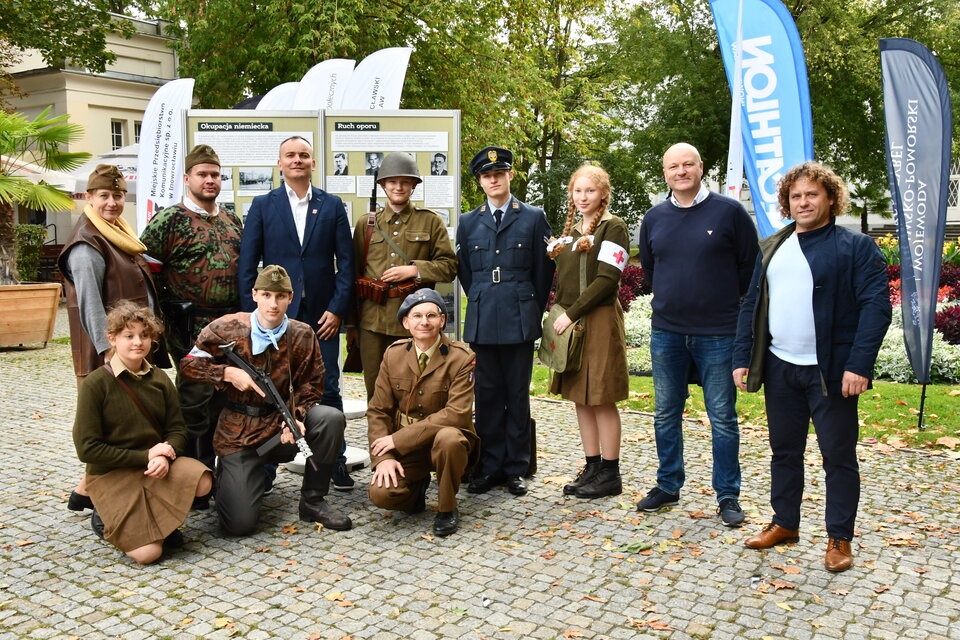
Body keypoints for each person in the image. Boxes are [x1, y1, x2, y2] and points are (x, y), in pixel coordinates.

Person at [733, 162, 891, 572]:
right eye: (795, 196)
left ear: (830, 198)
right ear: (787, 202)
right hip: (781, 367)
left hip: (832, 372)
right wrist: (742, 358)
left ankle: (839, 537)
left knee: (837, 458)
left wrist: (859, 365)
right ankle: (785, 523)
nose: (803, 202)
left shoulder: (856, 247)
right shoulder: (772, 246)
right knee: (784, 452)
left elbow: (877, 308)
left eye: (812, 195)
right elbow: (751, 305)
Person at [636, 142, 759, 526]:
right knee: (665, 414)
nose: (681, 171)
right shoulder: (654, 218)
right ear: (665, 173)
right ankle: (668, 484)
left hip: (718, 333)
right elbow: (652, 272)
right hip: (668, 332)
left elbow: (748, 270)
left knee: (722, 416)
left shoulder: (730, 213)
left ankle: (727, 495)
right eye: (673, 166)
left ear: (701, 167)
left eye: (688, 164)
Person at [181, 265, 353, 535]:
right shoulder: (226, 328)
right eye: (266, 295)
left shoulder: (302, 333)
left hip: (279, 426)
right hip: (238, 431)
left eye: (280, 296)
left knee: (330, 418)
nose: (273, 303)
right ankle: (231, 477)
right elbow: (188, 366)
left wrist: (295, 417)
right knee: (238, 525)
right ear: (254, 294)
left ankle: (313, 500)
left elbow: (313, 383)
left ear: (290, 297)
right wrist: (225, 372)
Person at [238, 136, 355, 490]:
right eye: (290, 155)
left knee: (329, 388)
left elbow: (346, 264)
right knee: (273, 387)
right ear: (280, 163)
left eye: (304, 155)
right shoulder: (262, 205)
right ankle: (269, 464)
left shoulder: (332, 206)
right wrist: (253, 316)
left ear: (313, 163)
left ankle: (335, 460)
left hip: (322, 317)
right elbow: (247, 265)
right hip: (275, 316)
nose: (298, 160)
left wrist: (336, 310)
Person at [59, 164, 170, 512]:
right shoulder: (87, 243)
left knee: (127, 423)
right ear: (88, 198)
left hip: (131, 348)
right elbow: (88, 304)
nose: (112, 202)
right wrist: (110, 352)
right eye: (104, 195)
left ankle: (85, 493)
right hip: (108, 355)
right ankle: (100, 497)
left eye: (118, 195)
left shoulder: (117, 234)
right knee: (110, 428)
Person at [73, 301, 212, 565]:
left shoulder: (159, 379)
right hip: (113, 474)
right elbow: (87, 449)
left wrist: (166, 454)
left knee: (204, 481)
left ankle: (159, 526)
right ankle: (104, 518)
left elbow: (178, 429)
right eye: (129, 336)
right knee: (149, 555)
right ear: (112, 339)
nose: (138, 342)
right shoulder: (96, 384)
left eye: (144, 335)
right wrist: (147, 455)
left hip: (153, 466)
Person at [456, 146, 555, 496]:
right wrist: (484, 293)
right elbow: (467, 272)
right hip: (484, 315)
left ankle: (516, 467)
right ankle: (490, 465)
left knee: (516, 393)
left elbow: (544, 272)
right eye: (486, 175)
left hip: (519, 315)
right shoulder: (468, 222)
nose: (493, 179)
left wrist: (528, 304)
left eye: (499, 173)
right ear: (480, 181)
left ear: (510, 175)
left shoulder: (532, 216)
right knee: (486, 394)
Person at [140, 144, 243, 474]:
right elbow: (145, 270)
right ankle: (192, 475)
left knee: (225, 398)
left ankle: (221, 472)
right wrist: (158, 321)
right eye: (202, 174)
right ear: (188, 178)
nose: (209, 180)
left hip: (229, 326)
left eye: (215, 174)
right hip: (190, 327)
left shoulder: (232, 220)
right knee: (192, 402)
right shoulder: (168, 220)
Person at [546, 164, 630, 499]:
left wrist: (572, 314)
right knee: (580, 398)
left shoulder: (615, 227)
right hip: (572, 320)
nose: (583, 197)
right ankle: (592, 465)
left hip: (596, 320)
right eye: (578, 191)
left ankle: (610, 472)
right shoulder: (571, 231)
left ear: (603, 194)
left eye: (590, 191)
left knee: (601, 397)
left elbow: (607, 280)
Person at [367, 290, 479, 536]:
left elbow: (456, 414)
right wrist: (384, 458)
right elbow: (378, 410)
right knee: (381, 494)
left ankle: (447, 507)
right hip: (410, 448)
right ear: (406, 323)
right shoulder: (393, 354)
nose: (424, 322)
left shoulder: (462, 357)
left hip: (448, 445)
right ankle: (415, 491)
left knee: (448, 438)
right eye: (416, 316)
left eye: (431, 315)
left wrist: (397, 440)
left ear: (442, 320)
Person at [347, 151, 458, 399]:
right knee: (376, 392)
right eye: (392, 181)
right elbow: (353, 277)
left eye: (405, 182)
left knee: (414, 391)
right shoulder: (367, 224)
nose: (398, 187)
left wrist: (415, 270)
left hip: (415, 323)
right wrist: (352, 324)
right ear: (383, 185)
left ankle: (410, 438)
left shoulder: (430, 222)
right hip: (372, 324)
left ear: (413, 186)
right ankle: (378, 439)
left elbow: (449, 266)